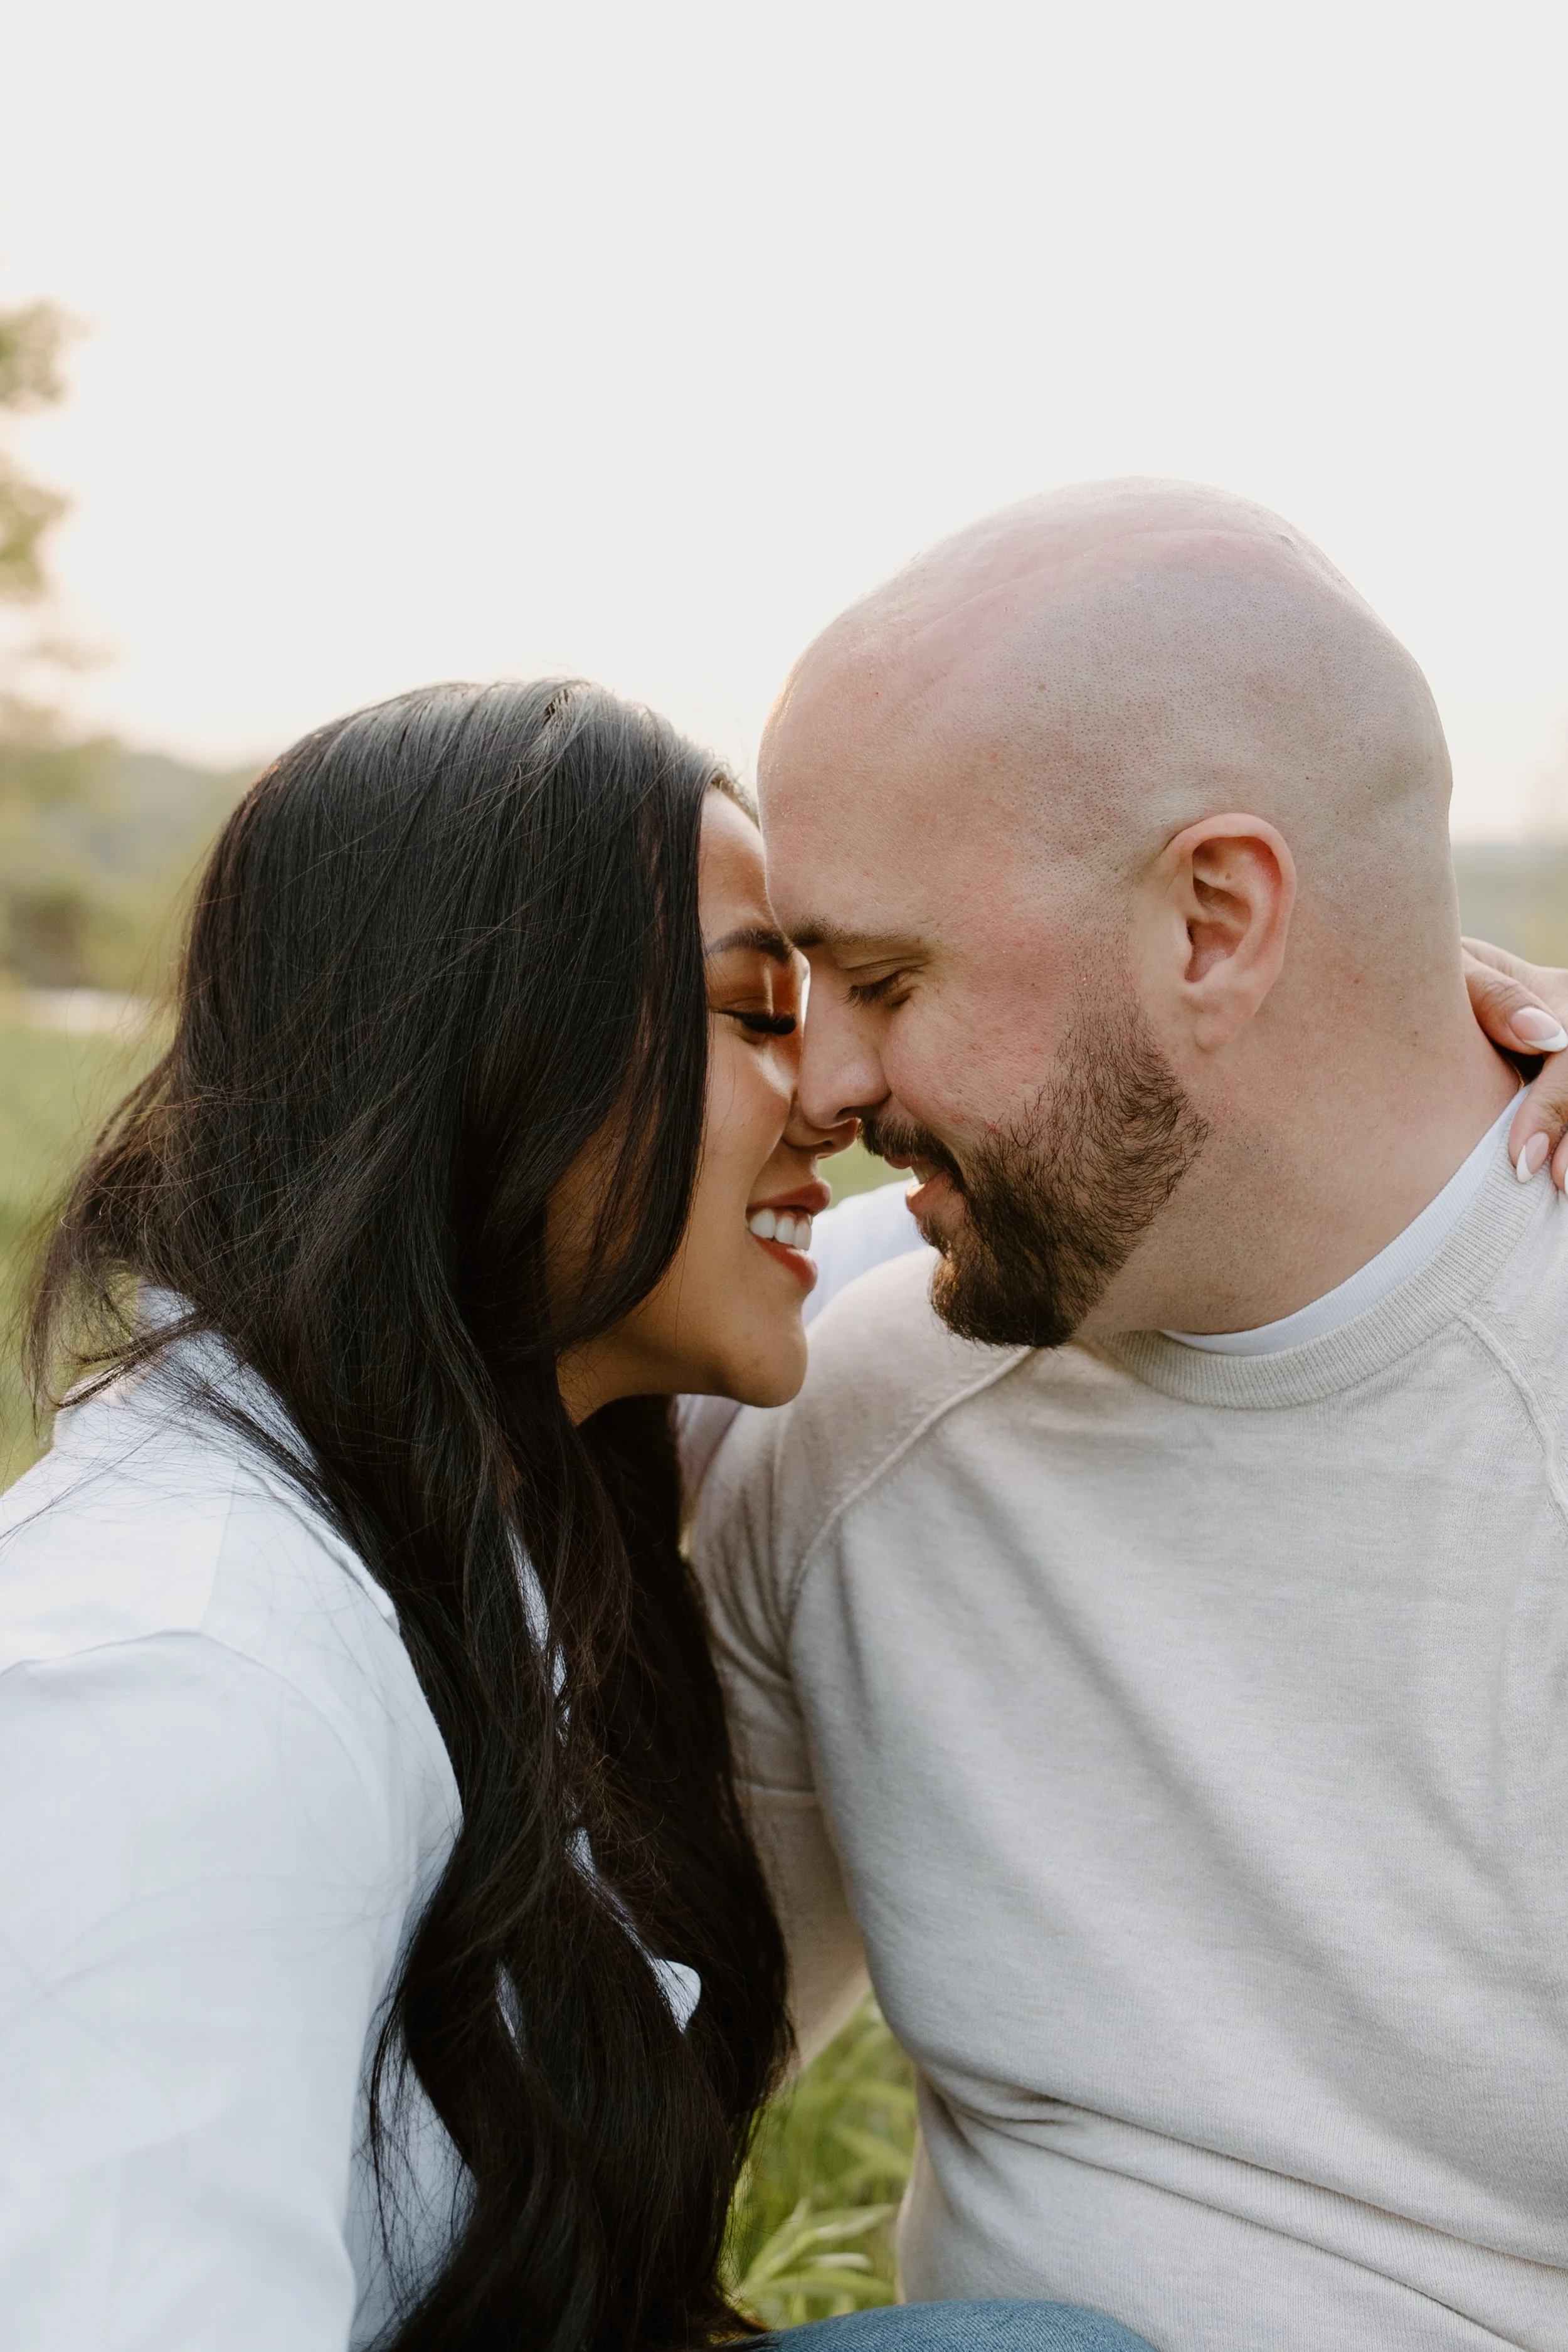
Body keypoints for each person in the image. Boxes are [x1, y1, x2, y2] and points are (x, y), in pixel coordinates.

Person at [0, 679, 1158, 2352]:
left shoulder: (446, 1449)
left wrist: (1412, 1077)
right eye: (758, 1010)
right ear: (488, 1046)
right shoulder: (183, 1686)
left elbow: (960, 1247)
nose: (835, 1089)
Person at [694, 482, 1568, 2352]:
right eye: (787, 988)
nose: (821, 1087)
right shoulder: (845, 1401)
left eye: (887, 979)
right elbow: (647, 2065)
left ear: (1211, 919)